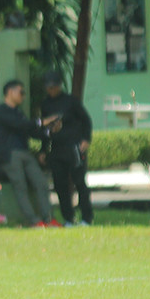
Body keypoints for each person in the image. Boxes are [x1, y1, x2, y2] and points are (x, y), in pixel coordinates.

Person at [0, 80, 60, 227]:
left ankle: (48, 218)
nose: (23, 96)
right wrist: (42, 122)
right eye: (21, 92)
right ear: (10, 92)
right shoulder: (1, 111)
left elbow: (30, 130)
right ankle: (34, 221)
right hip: (9, 155)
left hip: (24, 152)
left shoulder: (19, 113)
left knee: (41, 183)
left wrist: (49, 130)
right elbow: (20, 124)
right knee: (20, 187)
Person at [40, 71, 94, 226]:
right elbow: (45, 130)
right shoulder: (46, 105)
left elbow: (86, 121)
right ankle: (68, 218)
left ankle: (86, 218)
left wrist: (86, 139)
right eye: (48, 87)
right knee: (60, 184)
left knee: (79, 182)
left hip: (75, 148)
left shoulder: (71, 102)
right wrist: (43, 150)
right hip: (57, 149)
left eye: (53, 87)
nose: (51, 90)